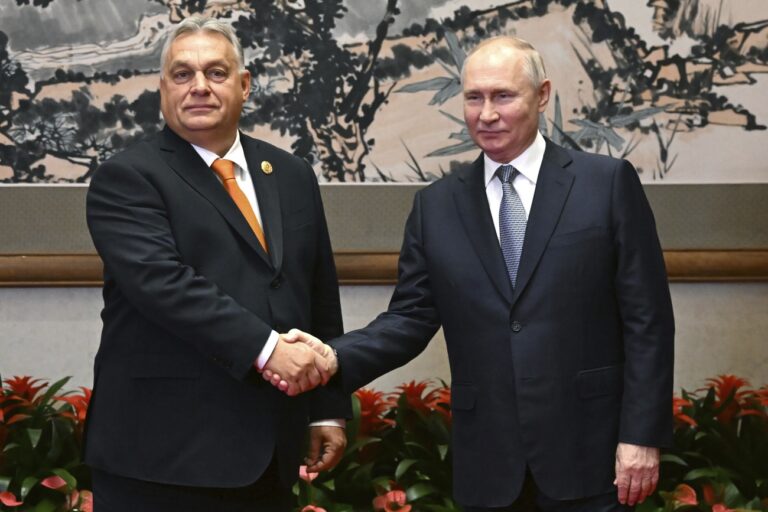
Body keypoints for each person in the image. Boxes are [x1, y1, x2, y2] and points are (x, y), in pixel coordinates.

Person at [269, 36, 675, 511]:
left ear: (541, 95)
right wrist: (333, 357)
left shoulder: (605, 184)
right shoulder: (435, 206)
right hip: (489, 463)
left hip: (593, 454)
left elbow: (648, 320)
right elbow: (410, 320)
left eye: (503, 96)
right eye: (474, 98)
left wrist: (641, 436)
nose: (486, 114)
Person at [85, 16, 348, 511]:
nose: (198, 87)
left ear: (245, 85)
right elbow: (164, 285)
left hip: (269, 454)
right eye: (182, 75)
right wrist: (270, 350)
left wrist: (325, 411)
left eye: (216, 72)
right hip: (160, 460)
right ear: (162, 89)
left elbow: (317, 294)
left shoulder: (291, 174)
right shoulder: (127, 177)